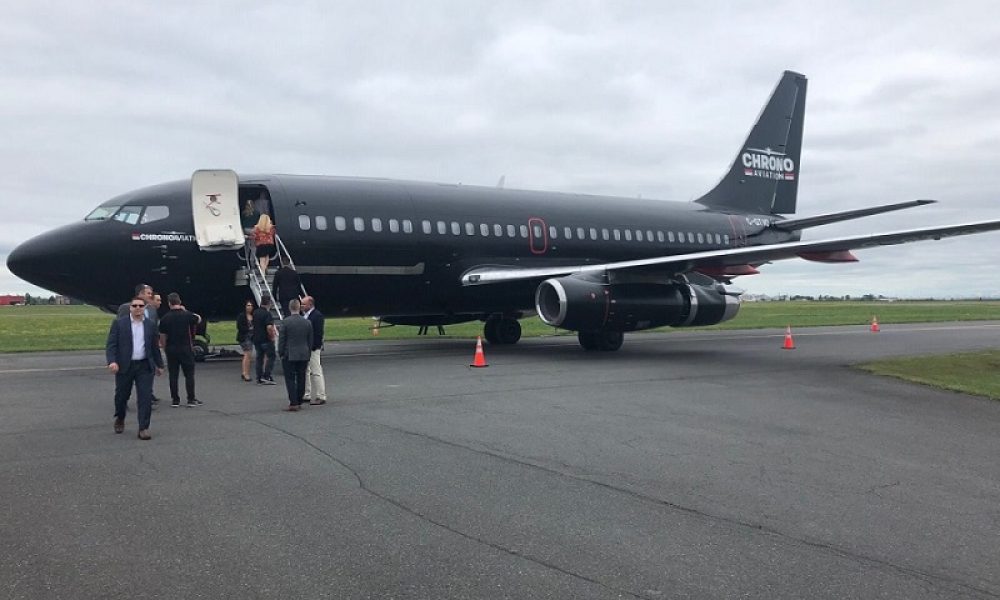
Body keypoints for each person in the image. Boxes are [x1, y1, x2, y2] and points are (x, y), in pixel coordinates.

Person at [106, 295, 163, 440]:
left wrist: (159, 364)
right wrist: (112, 361)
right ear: (130, 308)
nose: (138, 308)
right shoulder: (119, 324)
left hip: (144, 366)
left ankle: (143, 428)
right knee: (121, 396)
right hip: (125, 365)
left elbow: (154, 347)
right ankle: (120, 417)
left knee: (144, 398)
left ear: (145, 308)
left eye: (141, 306)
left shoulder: (150, 325)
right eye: (135, 306)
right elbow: (111, 345)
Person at [117, 284, 162, 407]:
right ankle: (123, 401)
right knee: (126, 382)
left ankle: (147, 399)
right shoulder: (126, 308)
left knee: (146, 377)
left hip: (146, 349)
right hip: (130, 351)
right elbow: (120, 328)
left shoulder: (151, 309)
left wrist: (156, 340)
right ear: (140, 294)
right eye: (148, 293)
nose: (151, 296)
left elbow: (153, 326)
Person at [158, 292, 202, 407]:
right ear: (180, 302)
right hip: (186, 348)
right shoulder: (186, 315)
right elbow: (198, 319)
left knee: (173, 375)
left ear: (169, 303)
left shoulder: (165, 318)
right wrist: (186, 311)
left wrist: (164, 348)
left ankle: (175, 400)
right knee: (189, 374)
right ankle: (191, 399)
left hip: (171, 348)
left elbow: (162, 336)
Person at [278, 299, 312, 411]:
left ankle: (293, 402)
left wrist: (281, 352)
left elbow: (282, 339)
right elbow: (310, 340)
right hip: (303, 353)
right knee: (302, 377)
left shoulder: (285, 322)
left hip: (290, 353)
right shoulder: (307, 322)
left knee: (290, 378)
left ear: (290, 308)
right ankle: (299, 399)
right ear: (299, 307)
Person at [301, 295, 327, 405]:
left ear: (310, 304)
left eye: (304, 304)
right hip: (305, 347)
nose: (301, 306)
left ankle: (321, 395)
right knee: (306, 371)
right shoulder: (305, 315)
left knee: (316, 371)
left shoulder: (317, 316)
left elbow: (318, 334)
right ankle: (306, 394)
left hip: (313, 348)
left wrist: (314, 347)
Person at [252, 294, 277, 385]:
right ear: (269, 303)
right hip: (265, 339)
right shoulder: (267, 314)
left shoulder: (255, 312)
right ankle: (267, 376)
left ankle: (259, 377)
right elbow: (269, 327)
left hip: (256, 338)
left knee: (259, 358)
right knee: (271, 357)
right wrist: (272, 337)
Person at [236, 299, 255, 382]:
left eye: (251, 306)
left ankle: (245, 372)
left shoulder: (253, 316)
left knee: (248, 355)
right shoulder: (241, 316)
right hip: (244, 337)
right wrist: (249, 329)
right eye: (248, 305)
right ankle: (245, 373)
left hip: (251, 337)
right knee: (247, 354)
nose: (249, 307)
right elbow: (239, 327)